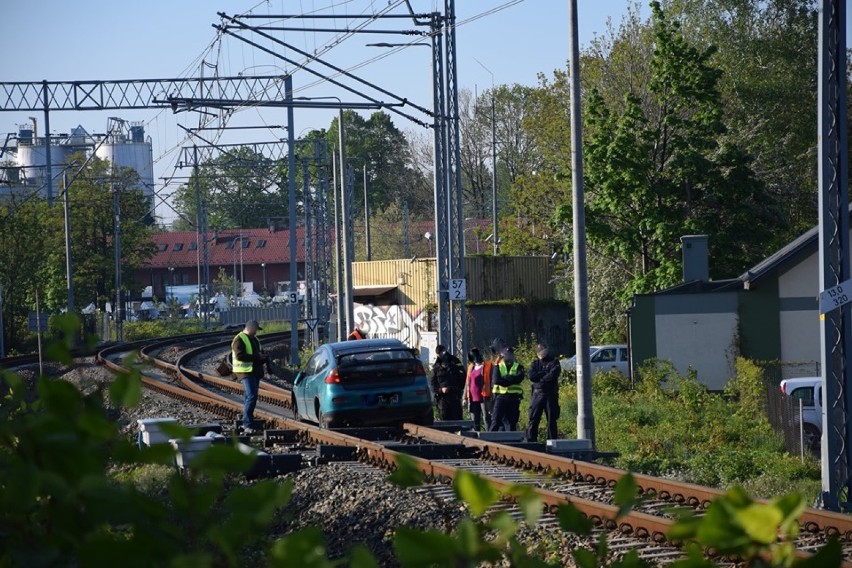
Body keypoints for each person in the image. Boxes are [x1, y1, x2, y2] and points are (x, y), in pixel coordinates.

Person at [231, 320, 268, 434]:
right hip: (245, 372)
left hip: (254, 372)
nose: (256, 332)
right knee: (251, 396)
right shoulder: (239, 339)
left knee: (249, 397)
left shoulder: (255, 339)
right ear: (250, 328)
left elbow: (259, 353)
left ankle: (246, 422)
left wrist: (264, 357)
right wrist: (257, 356)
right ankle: (247, 424)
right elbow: (239, 356)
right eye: (256, 329)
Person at [526, 342, 562, 442]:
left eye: (542, 350)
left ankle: (552, 442)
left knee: (551, 420)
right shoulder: (535, 364)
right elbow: (531, 376)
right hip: (537, 394)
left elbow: (553, 375)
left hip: (550, 394)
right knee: (533, 418)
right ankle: (531, 441)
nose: (540, 352)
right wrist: (544, 374)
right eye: (539, 350)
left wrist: (540, 378)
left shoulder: (554, 362)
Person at [489, 345, 525, 432]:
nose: (508, 356)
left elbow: (518, 378)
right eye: (506, 355)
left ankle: (513, 442)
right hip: (500, 398)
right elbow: (496, 380)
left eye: (510, 354)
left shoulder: (518, 366)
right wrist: (510, 379)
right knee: (495, 421)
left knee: (512, 423)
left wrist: (505, 379)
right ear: (502, 356)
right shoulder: (498, 366)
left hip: (514, 398)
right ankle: (489, 440)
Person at [429, 344, 465, 421]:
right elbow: (433, 382)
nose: (441, 356)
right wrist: (440, 390)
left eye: (442, 353)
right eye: (439, 355)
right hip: (442, 398)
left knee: (457, 419)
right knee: (445, 419)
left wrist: (456, 389)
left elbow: (462, 376)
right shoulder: (436, 366)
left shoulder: (455, 361)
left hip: (454, 395)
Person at [463, 348, 486, 431]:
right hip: (472, 398)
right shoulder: (471, 367)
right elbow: (467, 383)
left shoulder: (485, 367)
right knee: (474, 420)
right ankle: (476, 437)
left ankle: (488, 435)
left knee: (486, 417)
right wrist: (464, 397)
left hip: (483, 397)